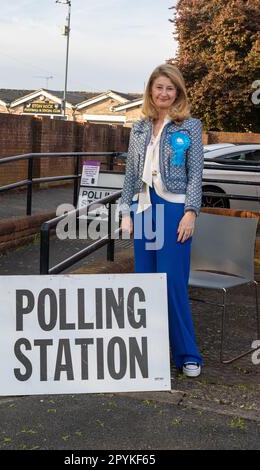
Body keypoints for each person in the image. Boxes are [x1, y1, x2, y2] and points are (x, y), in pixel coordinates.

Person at [120, 63, 204, 377]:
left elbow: (196, 174)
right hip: (144, 208)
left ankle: (187, 354)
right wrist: (125, 210)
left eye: (170, 88)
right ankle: (150, 354)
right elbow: (131, 172)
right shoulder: (140, 127)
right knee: (145, 282)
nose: (164, 93)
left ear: (177, 92)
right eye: (159, 88)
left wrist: (190, 213)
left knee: (172, 285)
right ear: (151, 92)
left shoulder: (190, 126)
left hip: (174, 210)